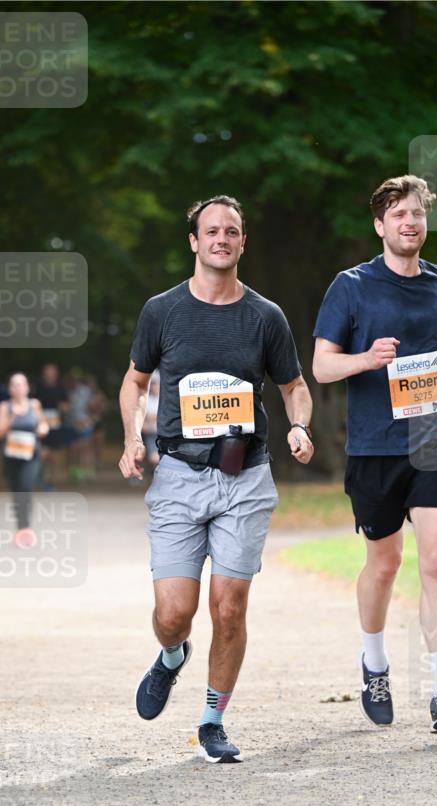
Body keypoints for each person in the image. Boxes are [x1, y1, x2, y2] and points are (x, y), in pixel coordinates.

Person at [118, 195, 314, 762]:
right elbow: (134, 382)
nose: (221, 239)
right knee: (173, 614)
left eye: (232, 231)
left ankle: (212, 720)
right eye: (211, 231)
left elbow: (294, 386)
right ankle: (171, 656)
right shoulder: (162, 310)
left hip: (245, 476)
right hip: (180, 474)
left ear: (242, 242)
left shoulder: (265, 316)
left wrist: (299, 426)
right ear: (194, 241)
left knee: (229, 607)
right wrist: (134, 437)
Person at [312, 174, 437, 734]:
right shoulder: (351, 286)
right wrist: (365, 360)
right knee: (384, 564)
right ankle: (375, 662)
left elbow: (432, 343)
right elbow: (321, 366)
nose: (410, 223)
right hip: (374, 445)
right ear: (379, 225)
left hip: (434, 436)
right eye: (399, 215)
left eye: (418, 214)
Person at [0, 371, 49, 546]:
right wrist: (10, 421)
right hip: (11, 454)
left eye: (22, 384)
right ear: (9, 389)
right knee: (17, 491)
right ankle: (20, 528)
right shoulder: (4, 407)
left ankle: (26, 529)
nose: (18, 387)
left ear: (27, 387)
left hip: (31, 454)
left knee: (26, 487)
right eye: (14, 384)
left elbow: (43, 423)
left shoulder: (34, 405)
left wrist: (43, 429)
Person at [34, 363, 70, 487]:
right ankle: (40, 475)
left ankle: (51, 480)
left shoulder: (61, 387)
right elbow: (33, 403)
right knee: (43, 451)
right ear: (44, 373)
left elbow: (66, 405)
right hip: (41, 422)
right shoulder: (38, 387)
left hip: (56, 423)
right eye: (48, 372)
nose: (50, 374)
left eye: (52, 372)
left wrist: (63, 408)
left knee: (54, 454)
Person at [141, 372, 161, 468]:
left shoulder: (166, 398)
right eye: (152, 383)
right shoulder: (145, 399)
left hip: (164, 433)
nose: (154, 386)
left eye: (155, 383)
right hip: (151, 433)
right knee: (153, 458)